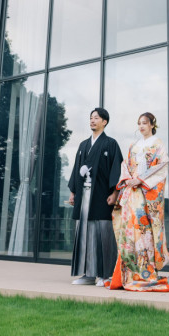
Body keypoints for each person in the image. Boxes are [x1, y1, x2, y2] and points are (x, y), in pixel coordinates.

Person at [107, 112, 169, 292]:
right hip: (131, 192)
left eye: (144, 123)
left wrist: (141, 180)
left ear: (152, 125)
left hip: (145, 192)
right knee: (130, 230)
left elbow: (162, 166)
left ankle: (145, 271)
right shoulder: (134, 146)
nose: (141, 126)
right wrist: (128, 181)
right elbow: (125, 167)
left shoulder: (158, 144)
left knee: (144, 231)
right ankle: (128, 272)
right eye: (139, 123)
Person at [67, 107, 123, 286]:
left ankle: (105, 275)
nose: (92, 121)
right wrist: (73, 191)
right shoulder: (84, 145)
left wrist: (115, 193)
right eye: (91, 118)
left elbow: (117, 170)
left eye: (96, 118)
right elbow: (77, 169)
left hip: (101, 195)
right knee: (85, 233)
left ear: (104, 122)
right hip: (84, 196)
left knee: (104, 233)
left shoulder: (111, 144)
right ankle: (89, 274)